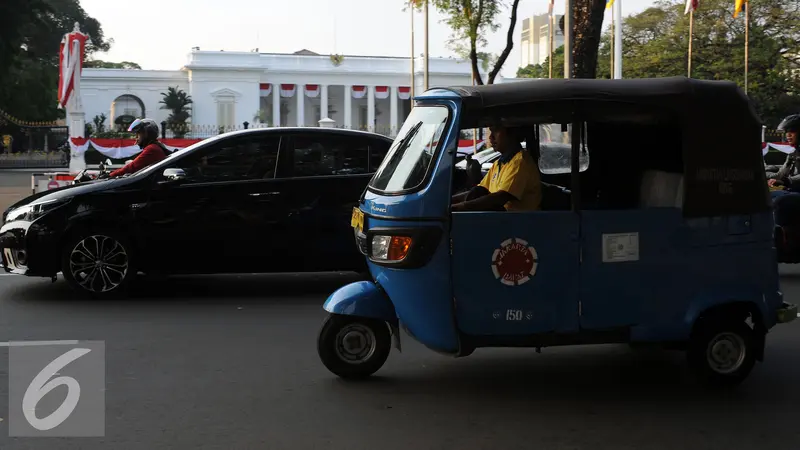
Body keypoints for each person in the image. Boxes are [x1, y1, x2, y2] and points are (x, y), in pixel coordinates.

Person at [451, 124, 541, 212]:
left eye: (496, 131)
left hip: (516, 222)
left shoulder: (520, 161)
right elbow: (480, 190)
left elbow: (500, 198)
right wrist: (449, 201)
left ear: (512, 134)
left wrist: (461, 207)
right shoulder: (499, 163)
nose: (491, 137)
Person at [103, 118, 171, 178]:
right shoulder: (155, 146)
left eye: (138, 134)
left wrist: (110, 175)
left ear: (146, 134)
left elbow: (131, 167)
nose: (136, 138)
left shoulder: (152, 149)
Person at [766, 114, 800, 198]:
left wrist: (788, 181)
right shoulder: (794, 154)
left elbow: (786, 179)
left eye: (792, 130)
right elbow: (781, 174)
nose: (788, 135)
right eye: (786, 131)